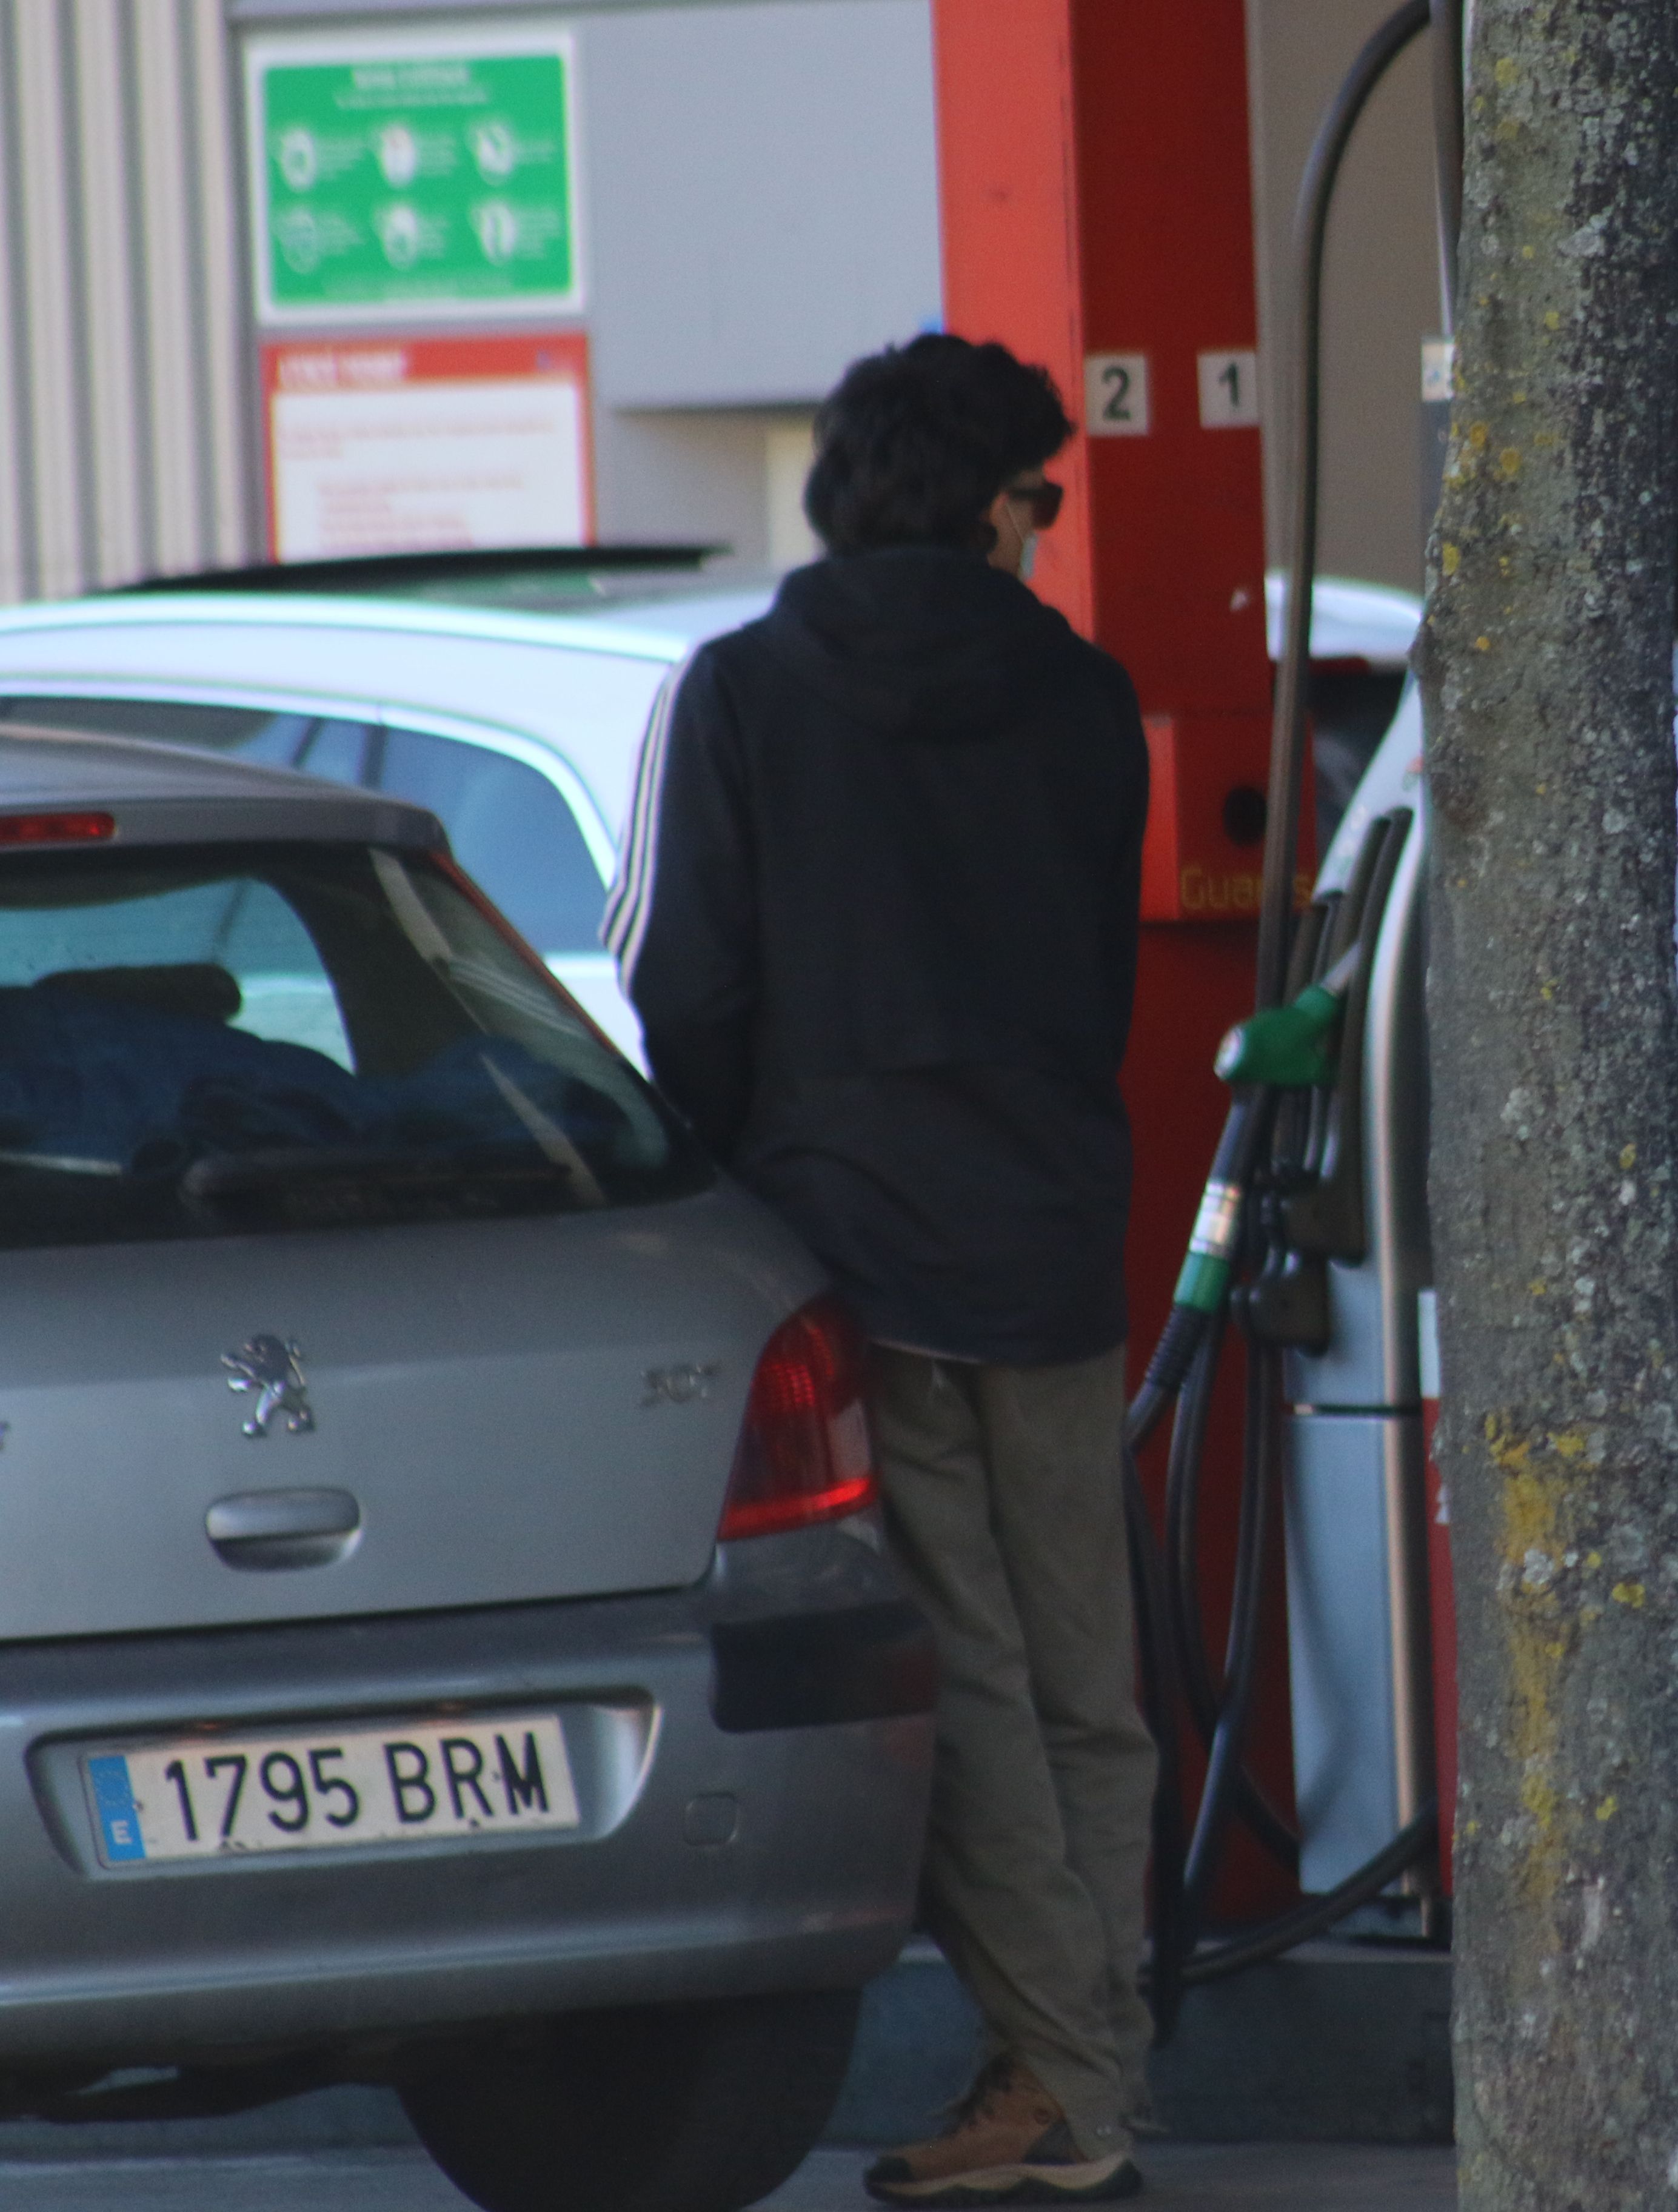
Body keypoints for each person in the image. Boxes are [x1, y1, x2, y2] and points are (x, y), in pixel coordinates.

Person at [610, 333, 1157, 2207]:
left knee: (973, 1676)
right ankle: (1085, 2065)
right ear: (990, 501)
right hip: (1055, 1235)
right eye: (1042, 497)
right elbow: (1102, 977)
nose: (1046, 530)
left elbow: (688, 986)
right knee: (1087, 1674)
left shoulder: (746, 692)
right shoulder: (1088, 698)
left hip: (856, 1235)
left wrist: (758, 1180)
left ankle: (1075, 2086)